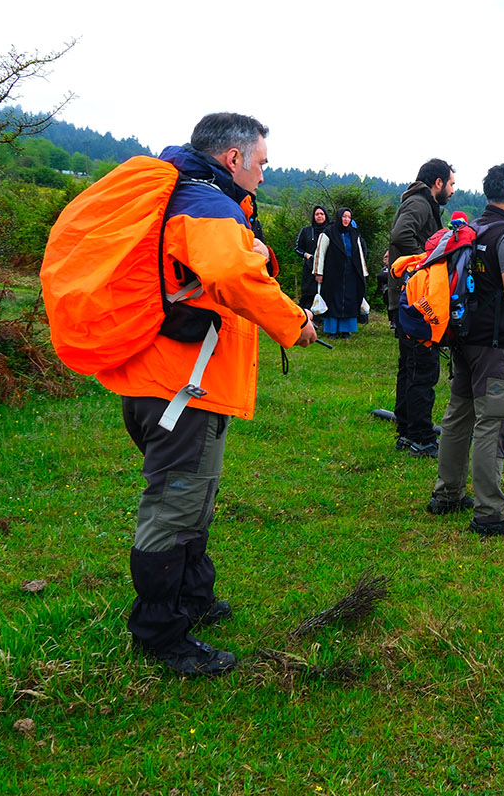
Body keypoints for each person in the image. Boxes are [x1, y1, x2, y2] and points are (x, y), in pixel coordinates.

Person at [107, 113, 317, 675]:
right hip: (182, 389)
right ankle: (159, 632)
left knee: (193, 497)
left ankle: (192, 598)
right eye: (262, 163)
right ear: (233, 158)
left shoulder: (183, 193)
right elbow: (231, 272)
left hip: (164, 379)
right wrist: (294, 323)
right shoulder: (207, 204)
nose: (264, 176)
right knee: (174, 507)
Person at [427, 163, 504, 537]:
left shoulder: (473, 228)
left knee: (458, 415)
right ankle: (490, 513)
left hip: (463, 336)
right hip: (494, 345)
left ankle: (446, 494)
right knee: (492, 422)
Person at [389, 158, 455, 456]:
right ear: (437, 183)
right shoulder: (420, 203)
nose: (453, 190)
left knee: (410, 366)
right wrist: (427, 265)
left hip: (408, 299)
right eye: (451, 183)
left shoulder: (422, 203)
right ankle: (420, 437)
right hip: (416, 301)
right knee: (422, 369)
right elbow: (401, 235)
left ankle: (407, 428)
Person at [313, 208, 368, 338]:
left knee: (350, 299)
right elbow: (320, 253)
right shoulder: (328, 232)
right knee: (333, 299)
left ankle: (346, 330)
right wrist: (318, 273)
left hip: (351, 272)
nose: (346, 220)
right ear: (339, 217)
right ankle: (333, 331)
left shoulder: (354, 234)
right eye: (344, 217)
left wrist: (363, 272)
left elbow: (359, 253)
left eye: (349, 217)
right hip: (333, 272)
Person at [294, 205, 328, 308]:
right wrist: (306, 255)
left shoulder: (330, 231)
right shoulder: (306, 230)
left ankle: (322, 317)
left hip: (326, 267)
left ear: (326, 216)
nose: (319, 216)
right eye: (317, 214)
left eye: (322, 214)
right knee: (308, 293)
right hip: (309, 268)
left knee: (325, 292)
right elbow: (297, 248)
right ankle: (308, 317)